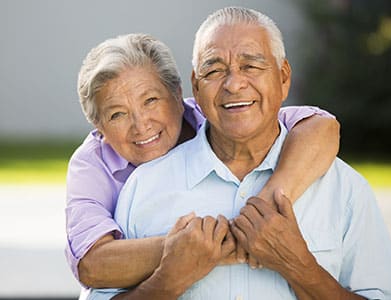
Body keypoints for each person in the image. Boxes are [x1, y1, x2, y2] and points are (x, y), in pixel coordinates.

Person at [89, 7, 391, 300]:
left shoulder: (344, 189)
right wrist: (166, 281)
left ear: (283, 77)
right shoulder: (143, 188)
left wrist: (300, 267)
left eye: (251, 65)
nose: (234, 84)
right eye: (214, 70)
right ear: (196, 88)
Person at [65, 33, 339, 292]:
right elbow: (92, 265)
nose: (141, 125)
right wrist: (209, 246)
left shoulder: (216, 115)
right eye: (117, 115)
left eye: (150, 100)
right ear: (98, 126)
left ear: (178, 93)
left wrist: (268, 207)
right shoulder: (91, 164)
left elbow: (321, 127)